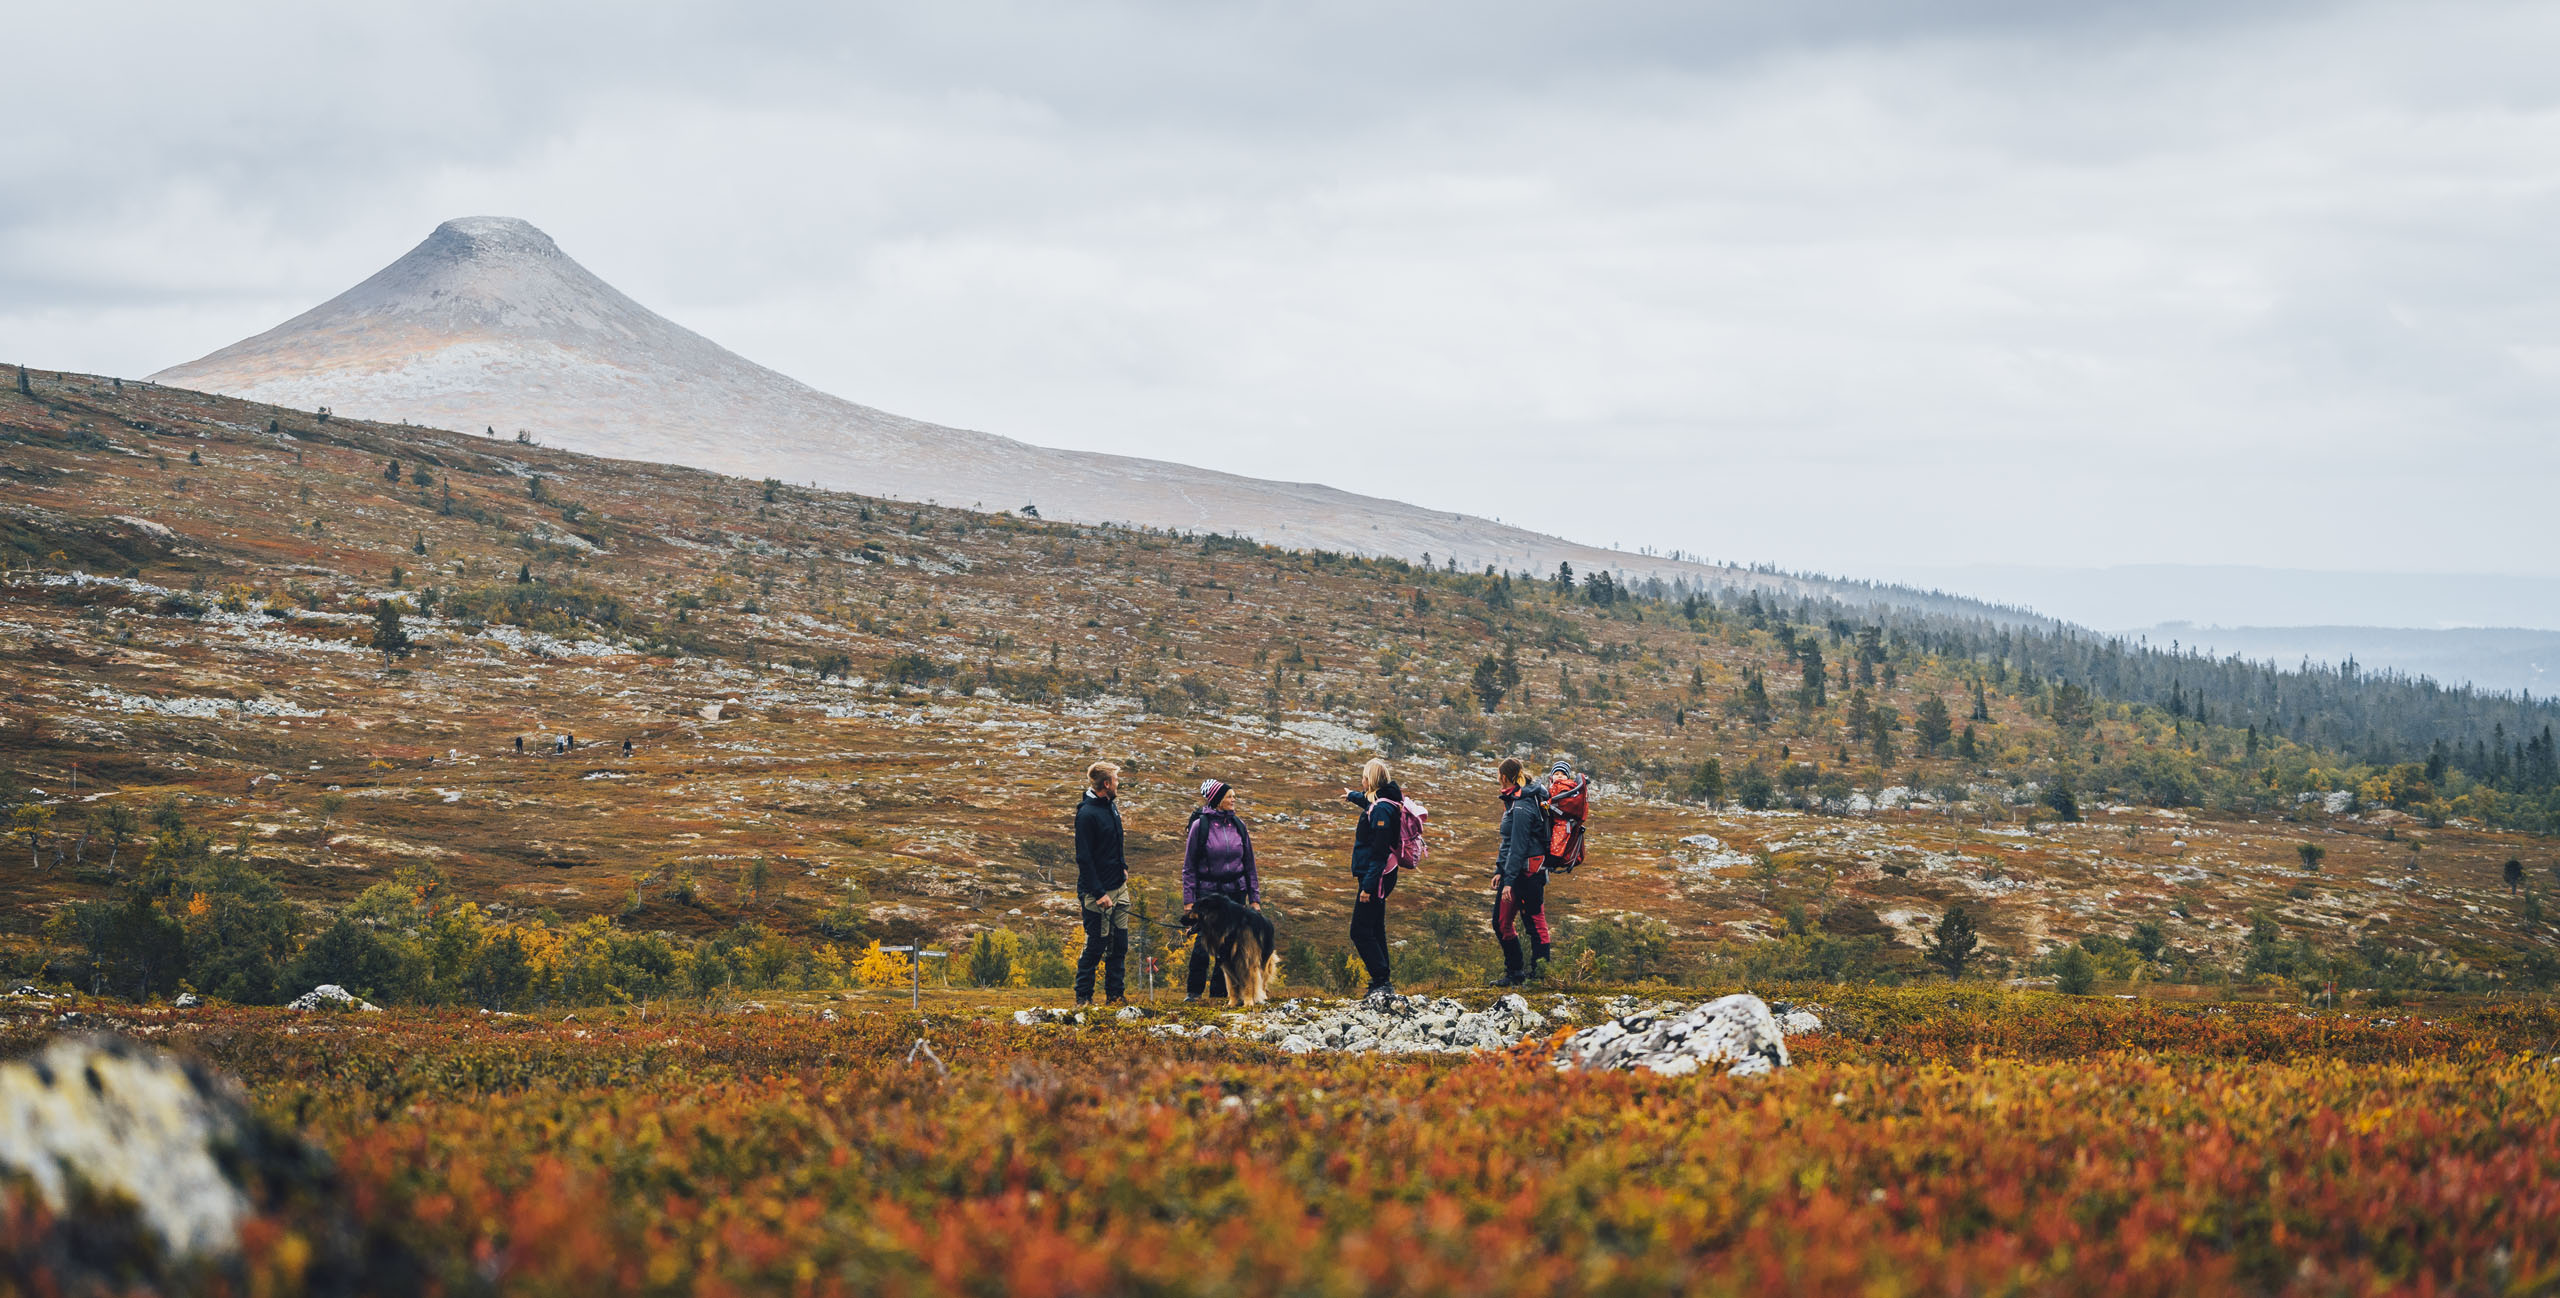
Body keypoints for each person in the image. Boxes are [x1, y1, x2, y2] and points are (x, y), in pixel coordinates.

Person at [1181, 779, 1261, 1002]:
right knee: (1203, 942)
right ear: (1217, 800)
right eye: (1229, 796)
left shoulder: (1239, 825)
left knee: (1229, 945)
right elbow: (1189, 867)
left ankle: (1219, 993)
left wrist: (1254, 899)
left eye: (1234, 796)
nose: (1233, 799)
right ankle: (1194, 993)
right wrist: (1189, 902)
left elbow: (1250, 865)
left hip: (1235, 893)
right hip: (1208, 894)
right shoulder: (1200, 826)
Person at [1342, 757, 1405, 998]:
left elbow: (1379, 852)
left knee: (1359, 930)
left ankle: (1381, 980)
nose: (1362, 780)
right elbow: (1369, 804)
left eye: (1364, 777)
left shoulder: (1381, 809)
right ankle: (1382, 979)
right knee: (1376, 926)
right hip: (1381, 874)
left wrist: (1368, 886)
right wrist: (1352, 796)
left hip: (1376, 876)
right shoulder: (1386, 801)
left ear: (1372, 779)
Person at [1491, 757, 1554, 986]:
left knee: (1534, 923)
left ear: (1505, 777)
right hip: (1520, 872)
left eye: (1498, 776)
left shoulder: (1521, 806)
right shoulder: (1518, 799)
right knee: (1502, 922)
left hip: (1528, 873)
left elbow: (1517, 847)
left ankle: (1539, 976)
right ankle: (1516, 972)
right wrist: (1500, 870)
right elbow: (1508, 842)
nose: (1497, 780)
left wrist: (1508, 881)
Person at [1072, 761, 1130, 1007]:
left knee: (1120, 944)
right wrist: (1098, 893)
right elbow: (1084, 858)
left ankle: (1115, 996)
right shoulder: (1086, 814)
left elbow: (1114, 843)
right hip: (1097, 893)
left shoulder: (1111, 807)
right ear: (1106, 784)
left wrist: (1123, 866)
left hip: (1119, 887)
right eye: (1116, 780)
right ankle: (1083, 997)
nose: (1118, 784)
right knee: (1096, 945)